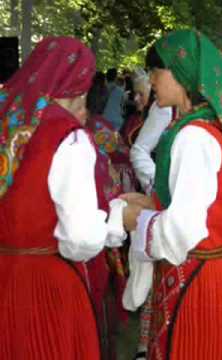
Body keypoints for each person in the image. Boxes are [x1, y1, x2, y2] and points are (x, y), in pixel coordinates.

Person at [121, 29, 222, 360]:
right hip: (210, 276)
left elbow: (182, 231)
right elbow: (206, 207)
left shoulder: (193, 138)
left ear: (183, 74)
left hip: (199, 287)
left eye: (158, 71)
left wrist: (135, 220)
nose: (151, 80)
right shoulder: (204, 127)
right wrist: (152, 204)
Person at [0, 36, 131, 359]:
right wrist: (118, 219)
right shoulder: (67, 136)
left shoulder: (9, 120)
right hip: (43, 284)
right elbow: (80, 238)